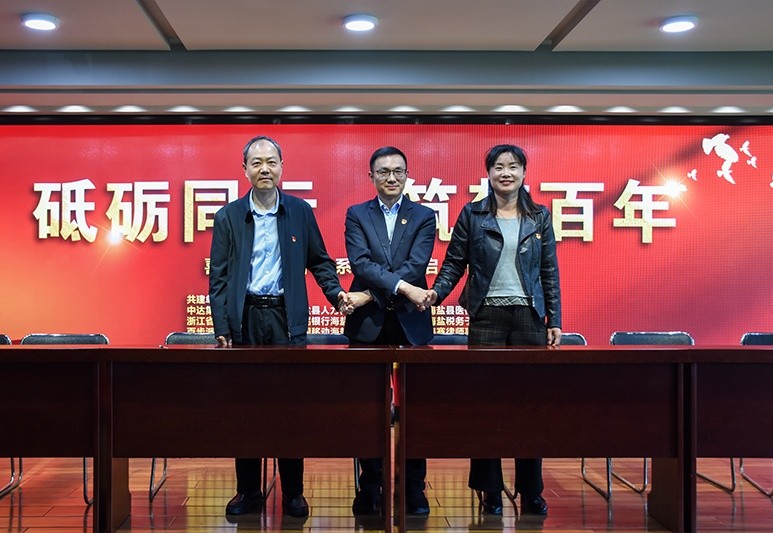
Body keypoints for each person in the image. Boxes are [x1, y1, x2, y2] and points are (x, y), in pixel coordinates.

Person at [209, 135, 351, 518]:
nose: (264, 169)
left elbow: (320, 261)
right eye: (256, 163)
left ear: (282, 167)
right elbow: (218, 277)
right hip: (244, 320)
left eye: (271, 162)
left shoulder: (299, 212)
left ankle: (293, 493)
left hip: (286, 320)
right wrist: (222, 324)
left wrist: (337, 295)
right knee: (246, 408)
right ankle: (248, 492)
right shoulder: (228, 216)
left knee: (291, 407)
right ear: (245, 169)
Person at [427, 143, 561, 517]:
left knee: (529, 407)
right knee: (484, 407)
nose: (506, 173)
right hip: (486, 316)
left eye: (513, 166)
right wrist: (436, 294)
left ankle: (531, 490)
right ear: (488, 173)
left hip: (529, 318)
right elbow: (454, 263)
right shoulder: (472, 214)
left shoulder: (539, 216)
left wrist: (555, 319)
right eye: (499, 166)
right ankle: (490, 490)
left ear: (524, 173)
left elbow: (549, 270)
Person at [343, 146, 436, 516]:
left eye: (398, 171)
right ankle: (370, 487)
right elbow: (361, 263)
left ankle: (413, 488)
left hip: (411, 323)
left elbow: (416, 265)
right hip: (368, 326)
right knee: (368, 410)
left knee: (416, 411)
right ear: (371, 177)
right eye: (383, 171)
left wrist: (374, 293)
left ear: (407, 175)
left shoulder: (424, 215)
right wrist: (403, 289)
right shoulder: (356, 214)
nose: (391, 177)